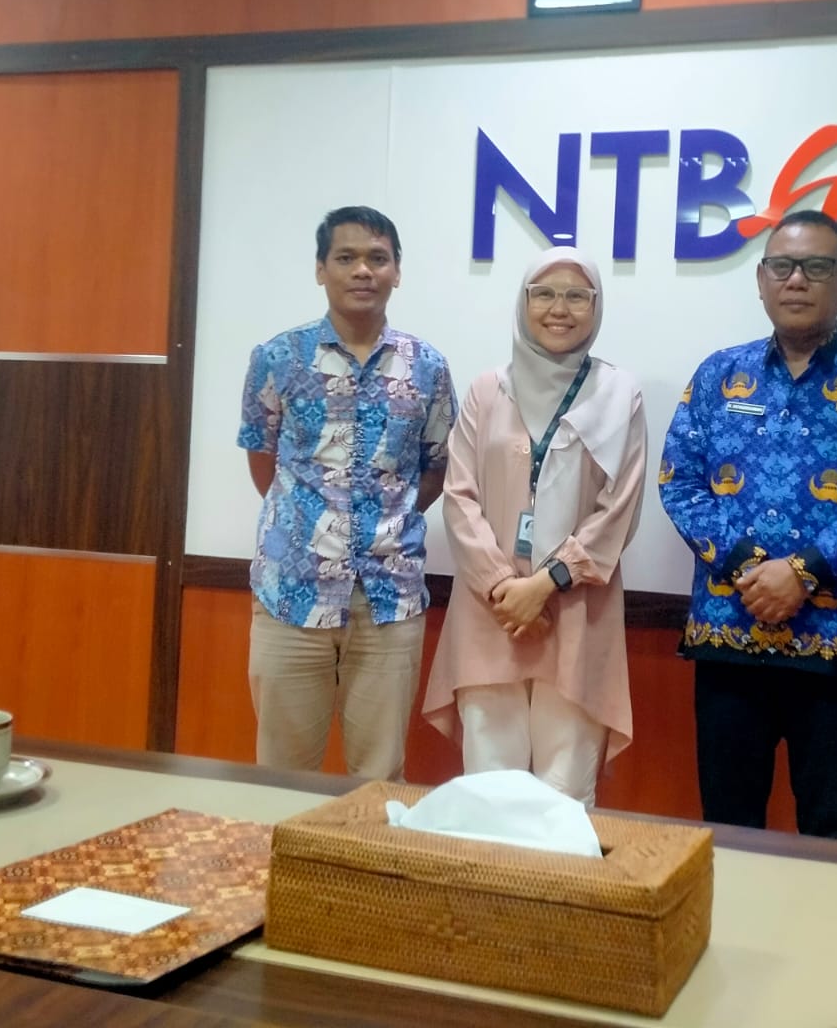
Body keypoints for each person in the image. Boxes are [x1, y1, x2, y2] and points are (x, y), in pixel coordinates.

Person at [659, 210, 837, 838]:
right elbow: (680, 483)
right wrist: (749, 567)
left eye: (817, 266)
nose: (797, 280)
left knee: (831, 833)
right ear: (761, 280)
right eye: (782, 266)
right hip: (729, 635)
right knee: (728, 829)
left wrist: (805, 571)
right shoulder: (719, 374)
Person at [238, 206, 457, 781]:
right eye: (346, 257)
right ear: (321, 269)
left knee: (379, 778)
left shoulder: (428, 367)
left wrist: (384, 522)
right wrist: (311, 521)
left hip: (389, 599)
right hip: (291, 593)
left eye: (377, 258)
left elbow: (437, 465)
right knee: (281, 777)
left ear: (397, 271)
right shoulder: (277, 358)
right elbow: (262, 460)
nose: (363, 270)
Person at [423, 247, 646, 807]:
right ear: (523, 303)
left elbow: (619, 509)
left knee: (564, 798)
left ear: (597, 305)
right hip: (491, 613)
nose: (559, 308)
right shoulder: (487, 389)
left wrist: (544, 585)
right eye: (543, 293)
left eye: (576, 296)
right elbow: (459, 496)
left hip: (576, 612)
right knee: (488, 790)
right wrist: (505, 589)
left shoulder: (620, 393)